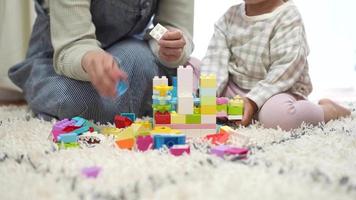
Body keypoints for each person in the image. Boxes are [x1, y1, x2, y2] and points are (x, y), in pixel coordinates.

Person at [8, 0, 194, 123]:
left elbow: (168, 27)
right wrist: (90, 58)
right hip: (61, 57)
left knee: (143, 65)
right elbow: (72, 43)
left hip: (127, 48)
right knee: (76, 101)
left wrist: (170, 47)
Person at [201, 0, 351, 130]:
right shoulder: (229, 16)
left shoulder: (288, 16)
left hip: (278, 91)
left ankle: (329, 111)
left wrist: (253, 101)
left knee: (279, 117)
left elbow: (285, 68)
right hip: (235, 88)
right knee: (190, 67)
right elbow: (215, 60)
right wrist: (209, 96)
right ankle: (233, 108)